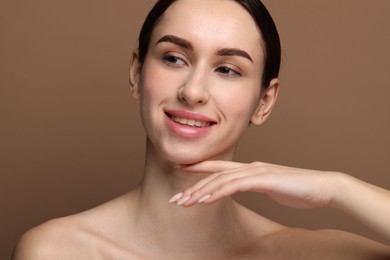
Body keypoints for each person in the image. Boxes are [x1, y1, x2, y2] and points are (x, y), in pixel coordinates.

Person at [12, 0, 390, 258]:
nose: (192, 91)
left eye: (227, 69)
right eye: (174, 58)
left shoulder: (314, 255)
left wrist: (339, 188)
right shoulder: (58, 250)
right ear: (137, 73)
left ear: (265, 101)